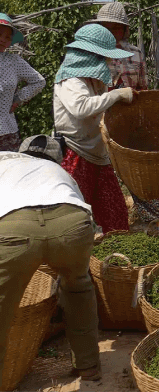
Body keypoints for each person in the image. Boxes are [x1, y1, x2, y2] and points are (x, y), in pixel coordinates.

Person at [0, 135, 102, 383]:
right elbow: (80, 206)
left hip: (15, 226)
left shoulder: (3, 159)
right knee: (78, 287)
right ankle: (88, 366)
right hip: (71, 222)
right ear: (56, 158)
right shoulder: (58, 170)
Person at [87, 2, 159, 235]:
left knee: (136, 173)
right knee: (100, 172)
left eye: (117, 28)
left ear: (124, 31)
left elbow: (143, 90)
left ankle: (154, 221)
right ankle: (99, 225)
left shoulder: (134, 54)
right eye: (107, 28)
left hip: (129, 122)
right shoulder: (91, 55)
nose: (112, 33)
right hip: (98, 120)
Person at [53, 24, 136, 234]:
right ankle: (80, 264)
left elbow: (100, 107)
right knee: (75, 218)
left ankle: (115, 259)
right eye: (105, 57)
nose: (108, 62)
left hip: (98, 153)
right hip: (75, 153)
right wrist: (116, 96)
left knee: (115, 213)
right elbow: (81, 108)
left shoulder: (94, 80)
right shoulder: (71, 79)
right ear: (92, 55)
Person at [0, 13, 46, 151]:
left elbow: (39, 81)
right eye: (0, 34)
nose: (2, 39)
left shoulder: (14, 61)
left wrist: (18, 99)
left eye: (7, 37)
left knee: (9, 171)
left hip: (6, 133)